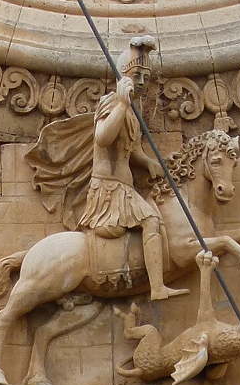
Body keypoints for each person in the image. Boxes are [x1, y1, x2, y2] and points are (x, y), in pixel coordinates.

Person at [79, 35, 189, 301]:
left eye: (146, 77)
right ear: (123, 76)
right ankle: (157, 287)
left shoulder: (133, 111)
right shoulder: (112, 103)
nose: (141, 82)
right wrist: (121, 104)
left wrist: (150, 163)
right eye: (136, 75)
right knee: (151, 220)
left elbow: (133, 150)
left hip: (124, 187)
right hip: (109, 190)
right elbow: (102, 138)